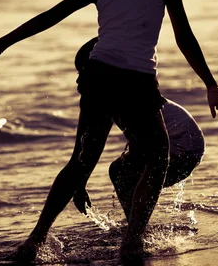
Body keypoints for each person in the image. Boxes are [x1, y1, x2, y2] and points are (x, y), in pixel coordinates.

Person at [0, 0, 218, 261]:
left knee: (80, 162)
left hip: (97, 77)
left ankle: (34, 240)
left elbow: (49, 17)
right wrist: (210, 83)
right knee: (158, 156)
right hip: (135, 81)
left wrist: (0, 44)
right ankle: (133, 240)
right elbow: (184, 36)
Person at [71, 37, 205, 221]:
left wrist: (79, 183)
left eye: (84, 71)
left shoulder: (123, 97)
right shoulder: (116, 94)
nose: (78, 79)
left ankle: (136, 228)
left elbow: (95, 148)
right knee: (122, 171)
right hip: (187, 148)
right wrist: (80, 184)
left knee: (121, 172)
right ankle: (136, 226)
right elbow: (88, 147)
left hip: (182, 149)